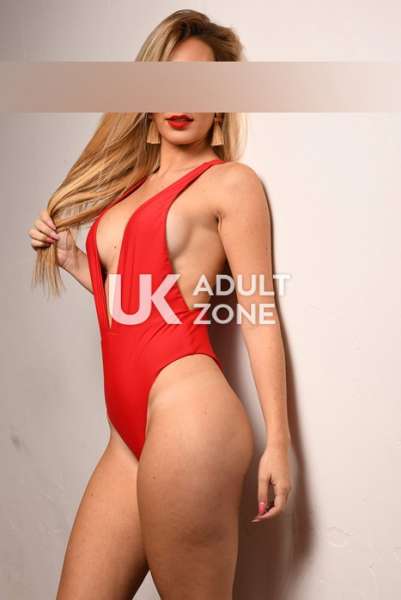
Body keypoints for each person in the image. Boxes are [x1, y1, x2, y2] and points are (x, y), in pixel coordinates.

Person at [28, 9, 292, 600]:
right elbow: (142, 305)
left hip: (190, 420)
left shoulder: (230, 184)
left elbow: (258, 314)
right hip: (126, 436)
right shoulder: (127, 189)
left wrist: (278, 440)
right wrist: (76, 262)